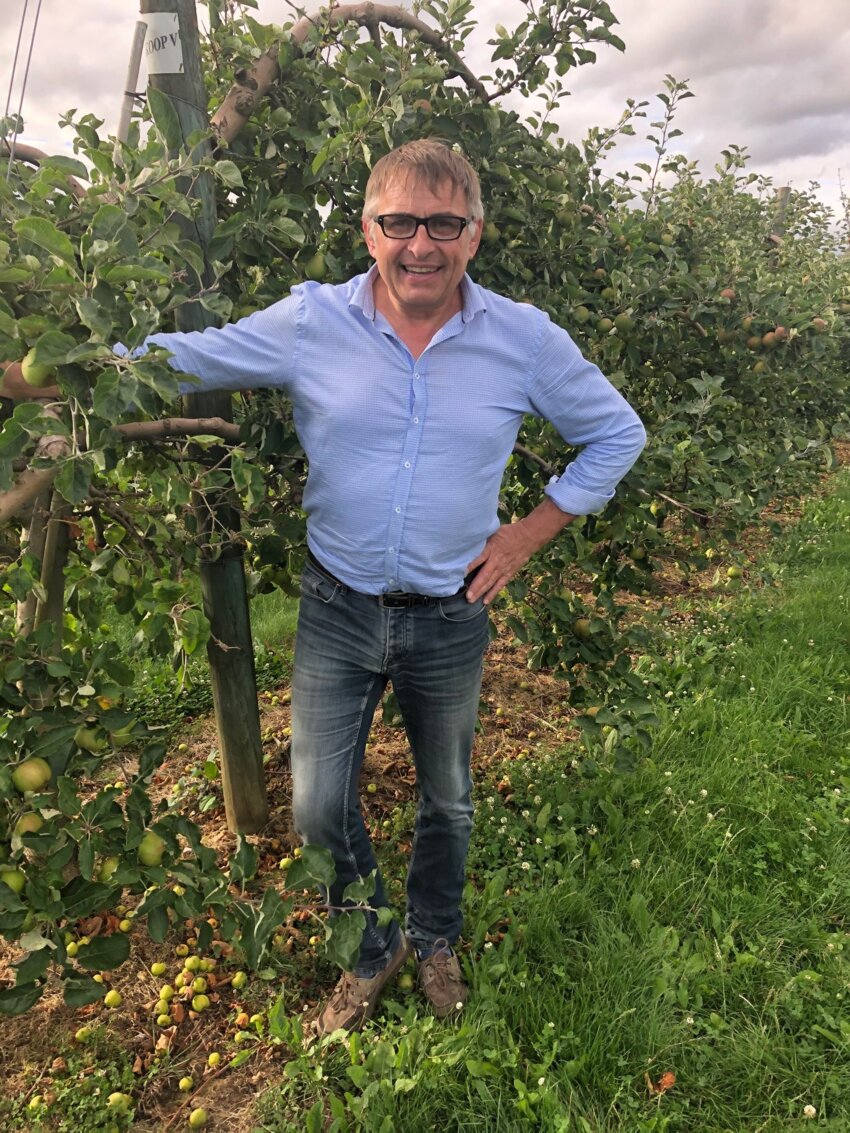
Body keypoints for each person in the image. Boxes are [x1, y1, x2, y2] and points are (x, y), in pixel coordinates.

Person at [1, 139, 646, 1035]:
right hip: (339, 606)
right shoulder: (313, 320)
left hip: (452, 612)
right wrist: (51, 372)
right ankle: (372, 944)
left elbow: (617, 433)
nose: (421, 244)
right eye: (399, 223)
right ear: (368, 230)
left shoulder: (523, 339)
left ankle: (435, 935)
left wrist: (529, 533)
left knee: (448, 797)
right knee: (315, 801)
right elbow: (184, 356)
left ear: (475, 235)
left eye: (443, 223)